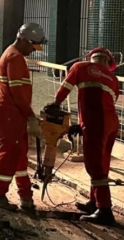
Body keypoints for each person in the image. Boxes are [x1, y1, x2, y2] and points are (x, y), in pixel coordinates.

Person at [48, 47, 119, 225]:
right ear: (108, 63)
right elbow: (107, 101)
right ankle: (93, 203)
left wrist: (55, 104)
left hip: (96, 124)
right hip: (112, 124)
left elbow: (65, 87)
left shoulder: (80, 67)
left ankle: (104, 209)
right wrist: (82, 124)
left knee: (95, 166)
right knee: (102, 163)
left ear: (91, 58)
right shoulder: (113, 78)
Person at [0, 22, 46, 212]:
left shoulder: (12, 54)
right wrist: (31, 117)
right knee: (11, 152)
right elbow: (18, 93)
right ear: (23, 40)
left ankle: (26, 196)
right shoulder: (15, 58)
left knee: (19, 154)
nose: (33, 50)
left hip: (13, 113)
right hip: (10, 113)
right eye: (32, 46)